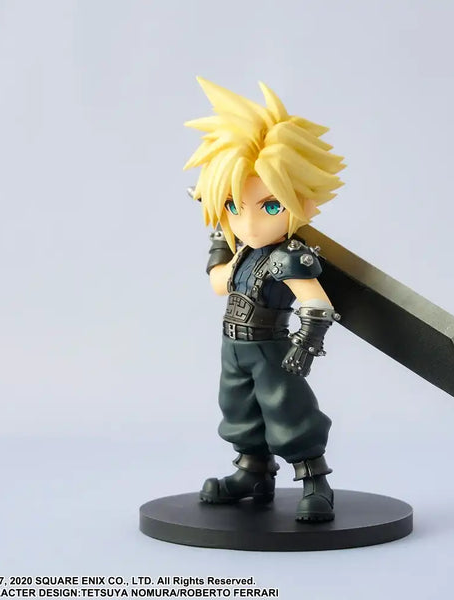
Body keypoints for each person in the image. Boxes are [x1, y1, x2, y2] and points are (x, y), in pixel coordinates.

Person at [183, 78, 345, 521]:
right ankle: (252, 471)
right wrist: (223, 238)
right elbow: (219, 283)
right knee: (239, 408)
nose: (250, 224)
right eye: (234, 206)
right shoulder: (242, 251)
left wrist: (304, 347)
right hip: (233, 345)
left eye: (271, 206)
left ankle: (315, 480)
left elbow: (316, 305)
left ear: (303, 203)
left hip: (272, 347)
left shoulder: (290, 256)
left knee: (288, 411)